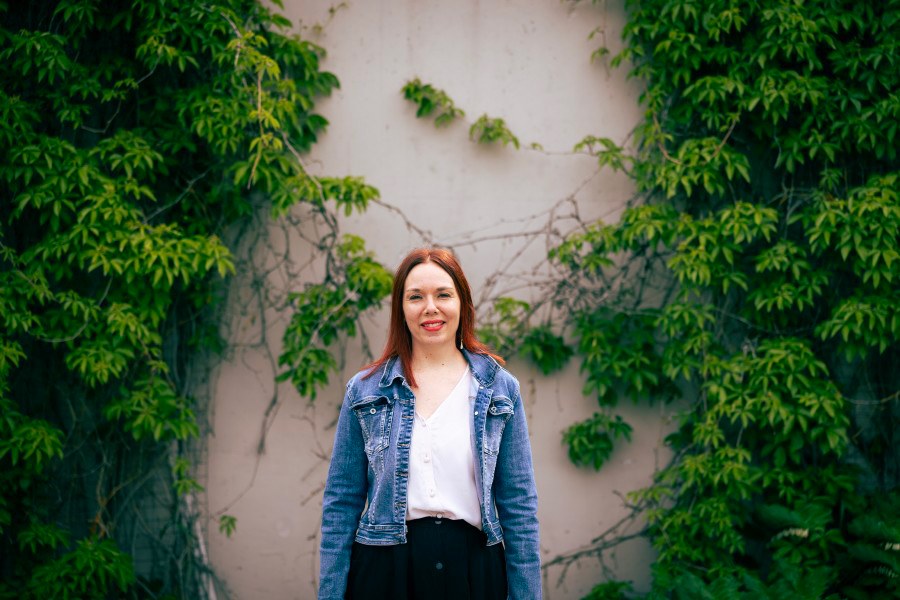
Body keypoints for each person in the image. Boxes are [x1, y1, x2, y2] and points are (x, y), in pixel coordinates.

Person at [318, 247, 541, 600]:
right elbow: (341, 503)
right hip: (383, 571)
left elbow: (519, 506)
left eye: (443, 295)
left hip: (474, 571)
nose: (430, 307)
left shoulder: (500, 389)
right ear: (401, 309)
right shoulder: (365, 390)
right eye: (415, 297)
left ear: (462, 303)